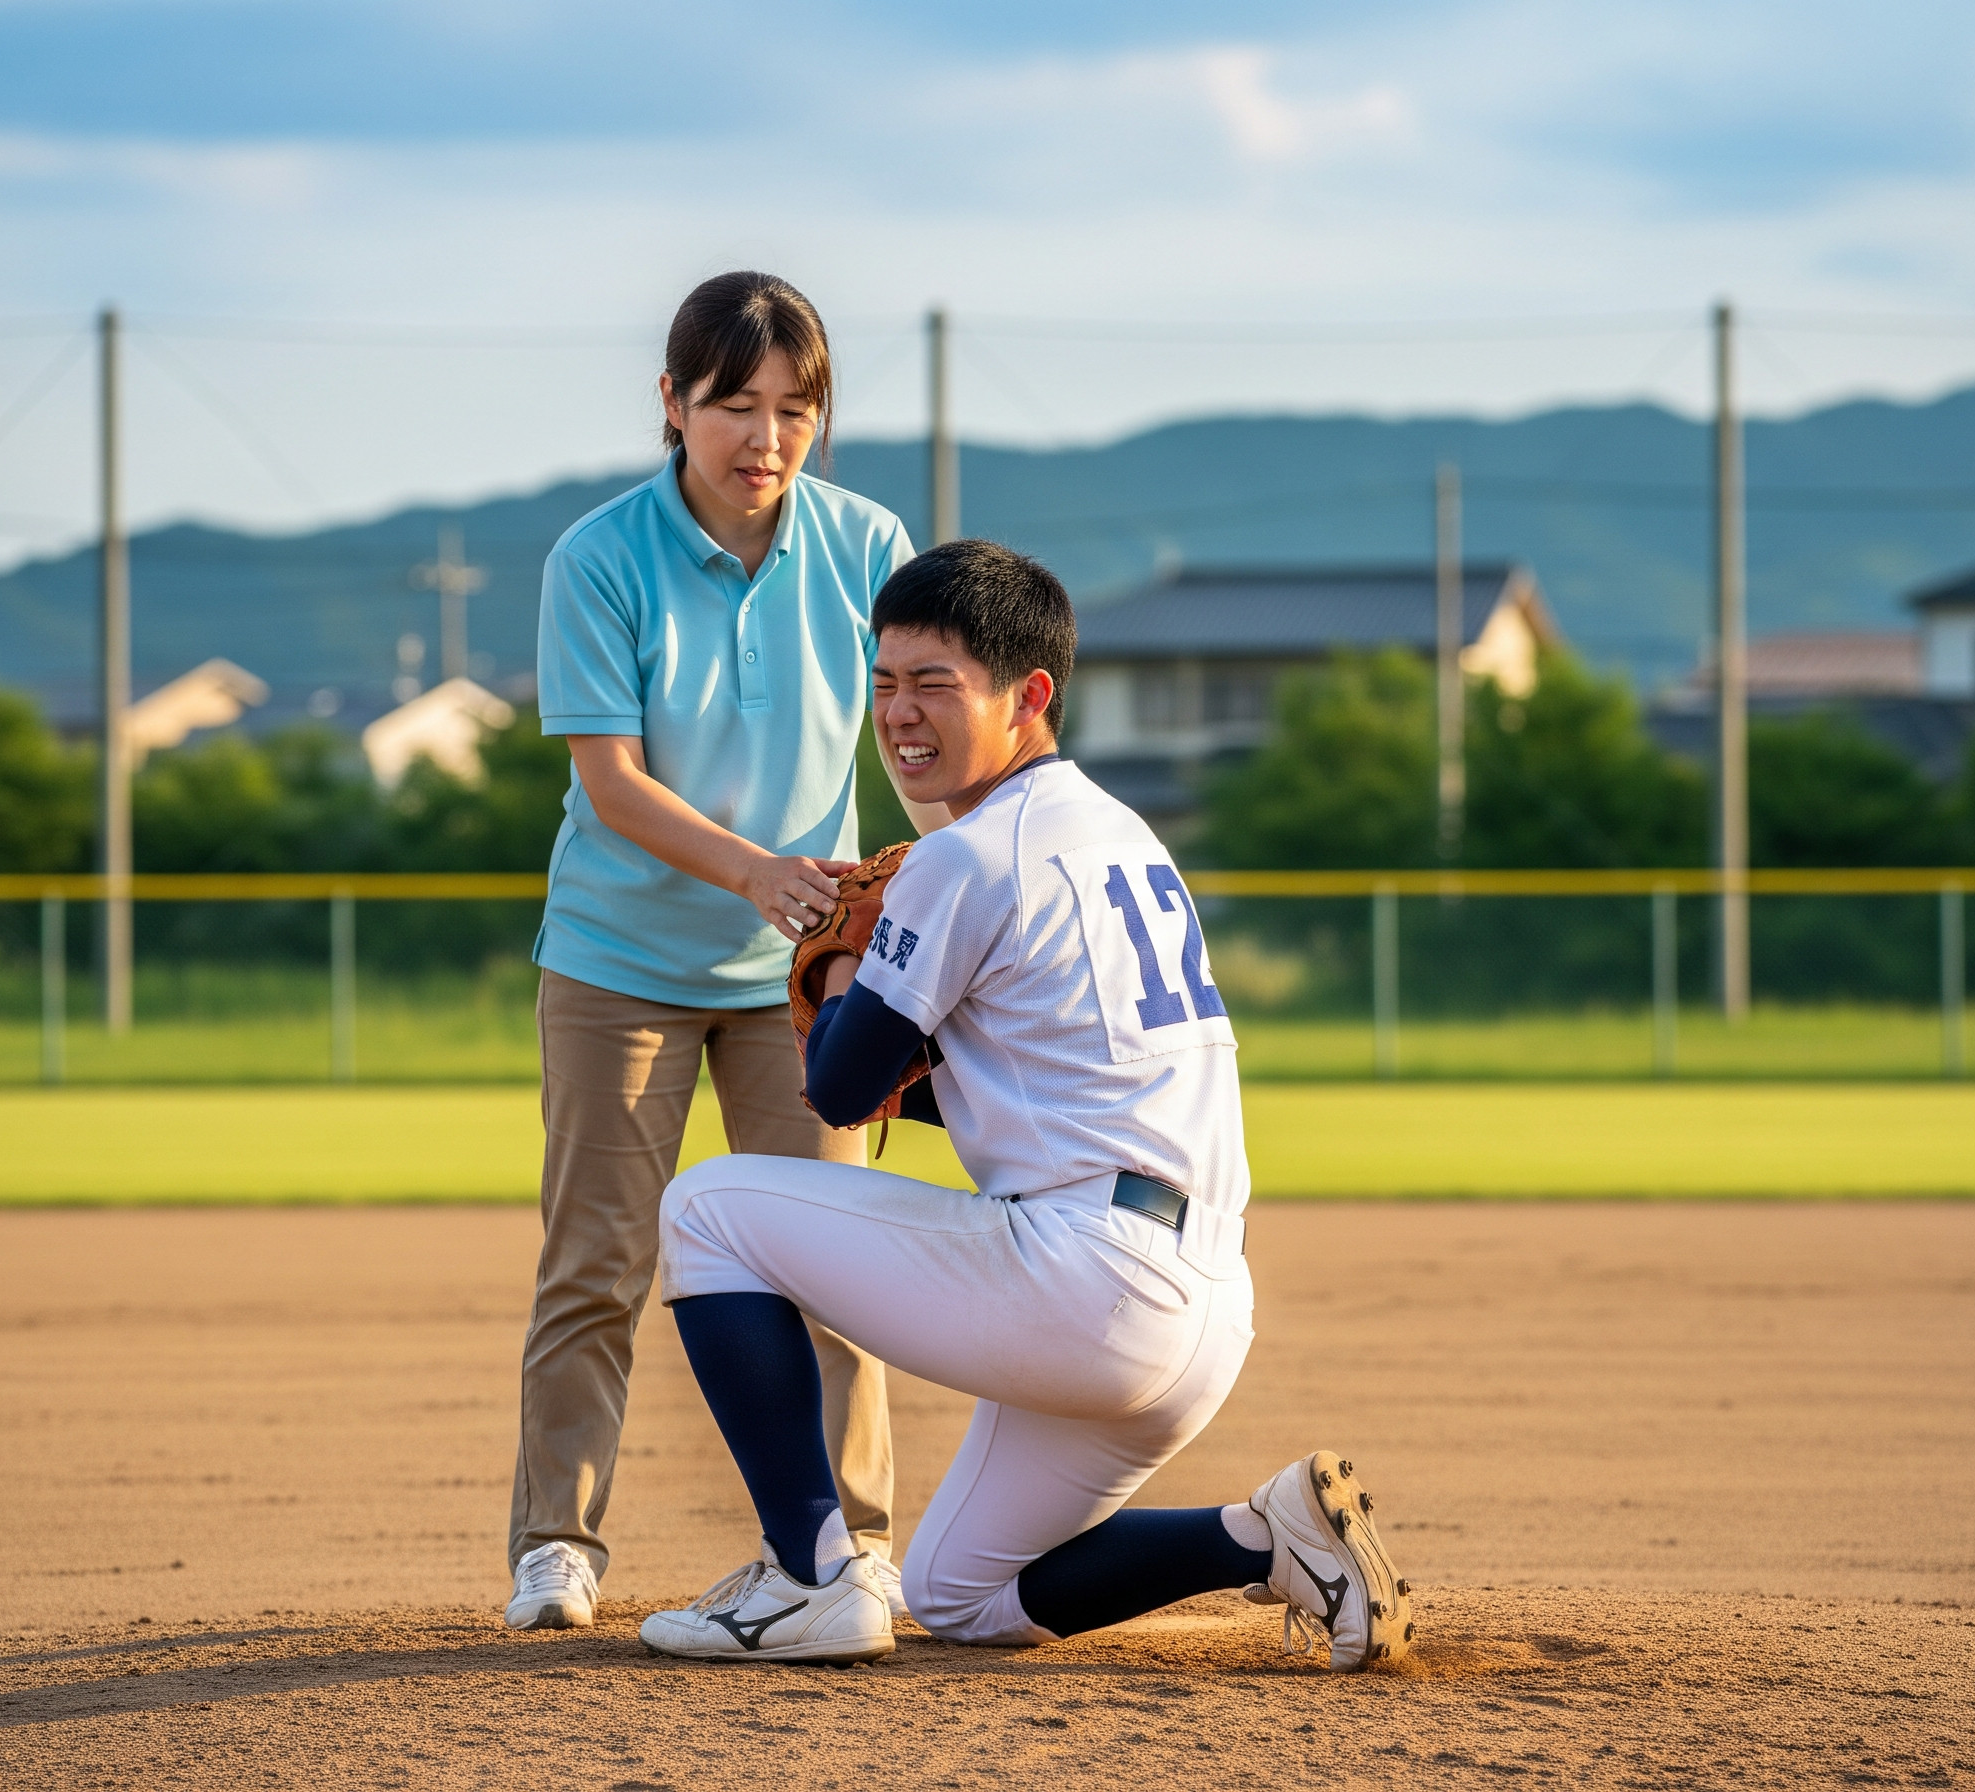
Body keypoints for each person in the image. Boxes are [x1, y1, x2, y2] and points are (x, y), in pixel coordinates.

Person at [633, 539, 1412, 1669]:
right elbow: (1027, 1080)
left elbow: (839, 1089)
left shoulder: (969, 854)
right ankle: (1261, 1536)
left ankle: (806, 1573)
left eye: (933, 682)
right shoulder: (1122, 834)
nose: (898, 712)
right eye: (883, 681)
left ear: (1029, 695)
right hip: (1201, 1306)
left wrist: (841, 956)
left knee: (706, 1211)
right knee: (958, 1593)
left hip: (1088, 1280)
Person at [505, 271, 939, 1632]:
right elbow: (612, 784)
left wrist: (935, 886)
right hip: (616, 963)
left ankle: (852, 1546)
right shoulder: (598, 557)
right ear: (673, 403)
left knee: (835, 1267)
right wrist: (757, 871)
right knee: (597, 1262)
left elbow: (914, 738)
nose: (767, 436)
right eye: (736, 404)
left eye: (797, 408)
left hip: (802, 977)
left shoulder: (868, 543)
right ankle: (556, 1545)